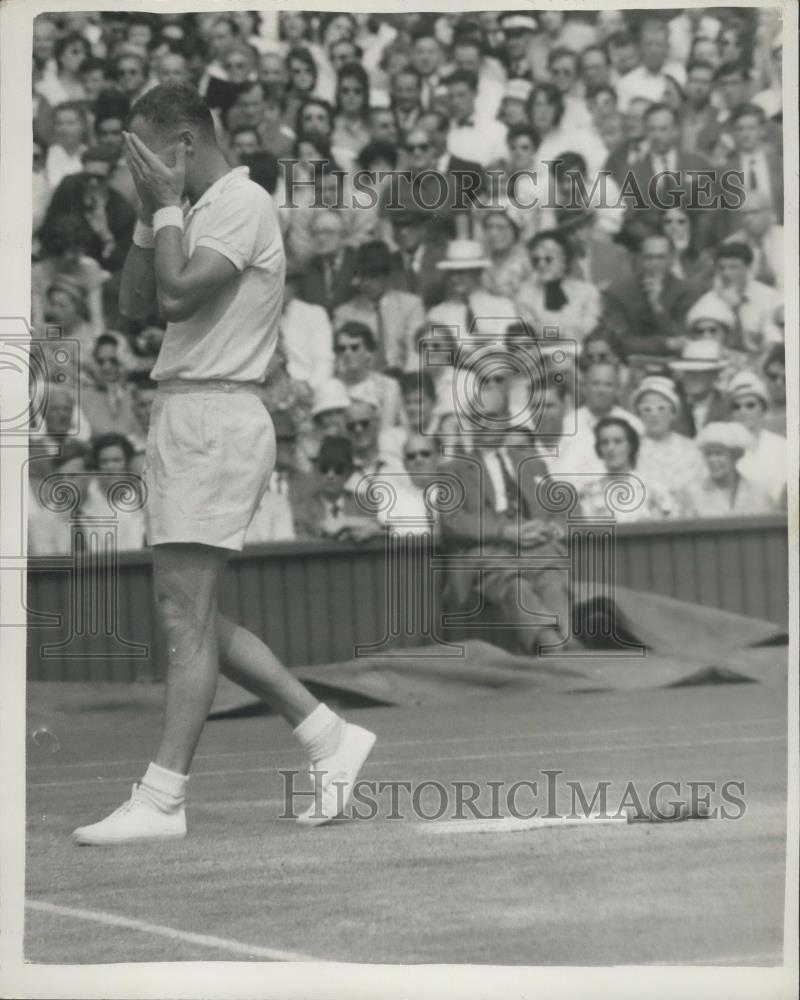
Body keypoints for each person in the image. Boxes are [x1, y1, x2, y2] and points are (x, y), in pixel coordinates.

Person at [72, 83, 375, 846]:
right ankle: (327, 736)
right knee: (187, 610)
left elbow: (176, 297)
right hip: (185, 413)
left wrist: (165, 207)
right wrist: (153, 212)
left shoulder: (245, 202)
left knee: (185, 613)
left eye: (141, 152)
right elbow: (137, 300)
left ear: (179, 143)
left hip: (216, 415)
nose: (131, 168)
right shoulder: (189, 210)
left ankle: (164, 797)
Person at [577, 417, 677, 522]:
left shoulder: (653, 491)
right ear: (599, 448)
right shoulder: (588, 493)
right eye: (605, 442)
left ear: (631, 446)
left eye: (618, 441)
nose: (611, 448)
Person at [630, 375, 707, 504]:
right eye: (647, 409)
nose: (654, 414)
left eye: (661, 408)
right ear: (638, 414)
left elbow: (700, 488)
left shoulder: (690, 448)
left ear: (673, 412)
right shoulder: (631, 449)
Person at [681, 422, 773, 518]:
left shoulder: (758, 492)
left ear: (736, 455)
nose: (712, 460)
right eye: (708, 454)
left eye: (719, 454)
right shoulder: (693, 494)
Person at [726, 371, 787, 507]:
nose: (743, 411)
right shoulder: (722, 446)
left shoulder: (781, 446)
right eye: (736, 407)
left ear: (763, 409)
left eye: (750, 405)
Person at [668, 340, 729, 438]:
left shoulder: (728, 406)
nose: (692, 377)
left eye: (700, 372)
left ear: (714, 375)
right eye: (688, 371)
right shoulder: (670, 404)